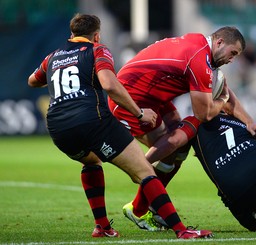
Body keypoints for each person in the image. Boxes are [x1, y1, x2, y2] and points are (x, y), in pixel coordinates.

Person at [27, 13, 212, 239]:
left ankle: (102, 227)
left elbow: (33, 80)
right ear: (96, 35)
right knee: (145, 173)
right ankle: (181, 231)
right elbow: (109, 84)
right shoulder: (98, 50)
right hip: (91, 121)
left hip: (58, 127)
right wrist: (139, 112)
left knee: (92, 161)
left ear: (71, 33)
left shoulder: (52, 57)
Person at [107, 26, 256, 230]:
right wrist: (223, 100)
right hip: (130, 100)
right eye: (232, 53)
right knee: (185, 132)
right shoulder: (199, 59)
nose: (232, 59)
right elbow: (206, 113)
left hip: (150, 95)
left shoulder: (201, 47)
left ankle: (142, 207)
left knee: (180, 141)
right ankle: (140, 173)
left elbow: (224, 89)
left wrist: (249, 121)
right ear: (219, 43)